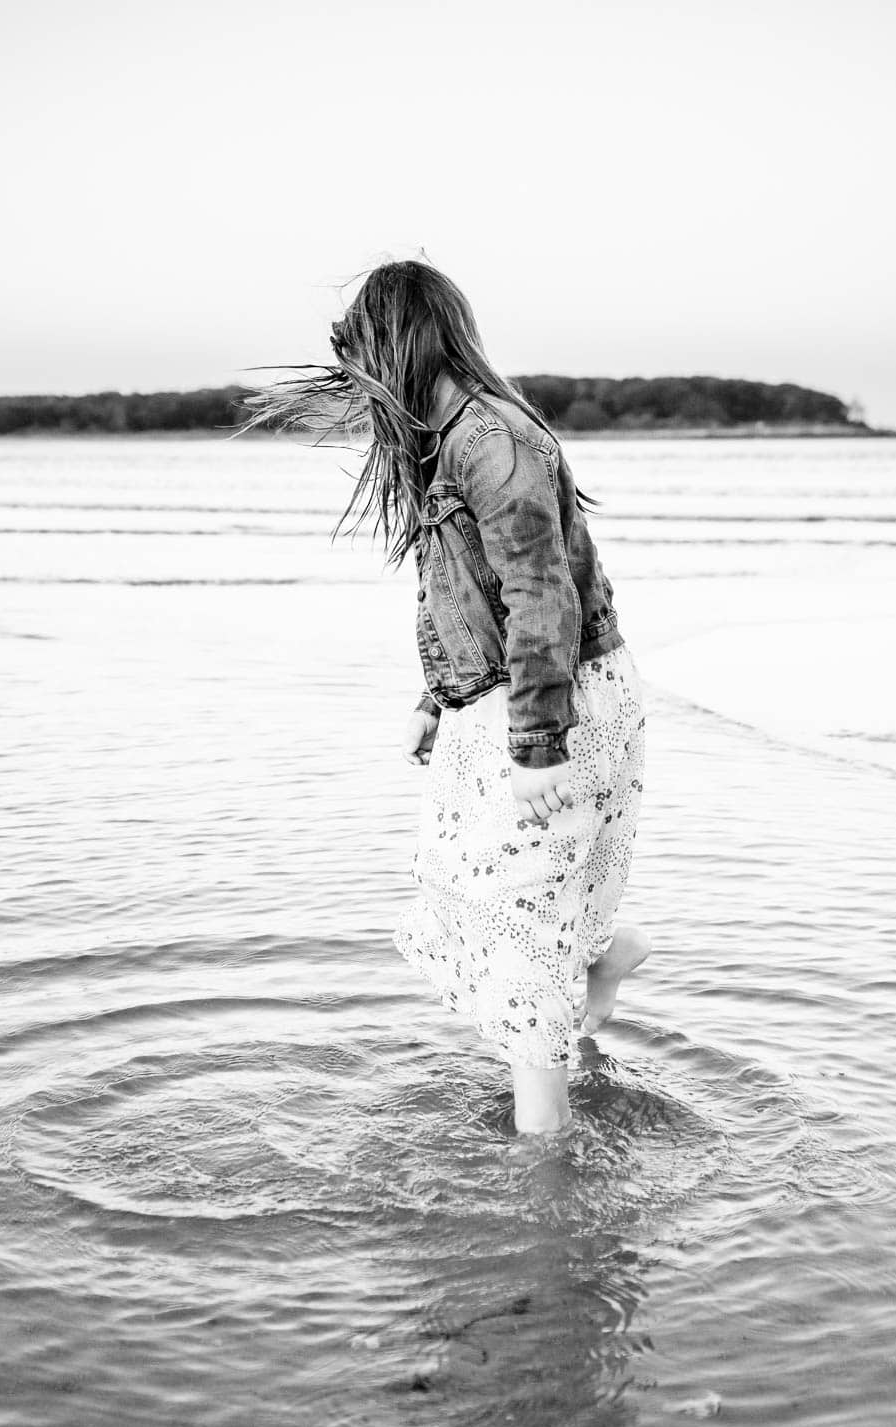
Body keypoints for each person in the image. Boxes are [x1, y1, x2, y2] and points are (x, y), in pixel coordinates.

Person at [244, 260, 650, 1135]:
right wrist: (438, 697)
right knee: (502, 895)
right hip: (509, 696)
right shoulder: (451, 436)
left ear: (399, 345)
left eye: (365, 363)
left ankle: (544, 1160)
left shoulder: (489, 442)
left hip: (551, 700)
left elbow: (542, 593)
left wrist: (538, 743)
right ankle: (600, 970)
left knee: (517, 917)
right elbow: (460, 590)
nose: (360, 389)